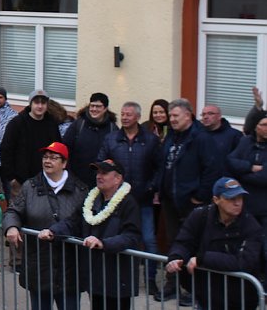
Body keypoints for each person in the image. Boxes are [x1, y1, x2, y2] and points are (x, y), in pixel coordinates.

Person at [40, 159, 142, 310]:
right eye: (98, 172)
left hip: (117, 278)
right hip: (95, 277)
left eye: (104, 173)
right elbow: (73, 222)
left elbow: (132, 236)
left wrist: (104, 243)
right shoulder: (92, 199)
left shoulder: (128, 203)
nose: (99, 176)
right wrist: (53, 231)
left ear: (118, 178)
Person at [2, 142, 86, 310]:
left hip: (69, 268)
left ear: (64, 163)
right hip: (39, 265)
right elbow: (13, 211)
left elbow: (83, 222)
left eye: (54, 158)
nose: (48, 161)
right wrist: (11, 226)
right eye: (45, 157)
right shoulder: (30, 187)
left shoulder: (80, 190)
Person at [155, 98, 220, 304]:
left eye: (175, 116)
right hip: (170, 201)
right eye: (170, 115)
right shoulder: (171, 137)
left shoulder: (201, 138)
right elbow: (164, 165)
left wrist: (199, 196)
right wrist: (159, 188)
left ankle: (194, 288)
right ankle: (173, 283)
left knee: (195, 245)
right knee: (174, 244)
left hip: (193, 203)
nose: (171, 119)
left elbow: (212, 169)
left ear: (188, 115)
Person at [96, 101, 163, 297]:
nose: (124, 117)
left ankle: (150, 280)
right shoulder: (111, 139)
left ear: (138, 117)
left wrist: (151, 187)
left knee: (149, 240)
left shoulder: (150, 140)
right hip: (117, 201)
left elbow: (160, 168)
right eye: (122, 114)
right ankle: (113, 277)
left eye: (129, 114)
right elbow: (101, 162)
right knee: (114, 237)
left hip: (143, 200)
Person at [166, 177, 263, 310]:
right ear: (216, 200)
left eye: (240, 198)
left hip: (240, 298)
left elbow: (245, 262)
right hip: (207, 295)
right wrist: (176, 257)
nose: (237, 203)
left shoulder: (251, 225)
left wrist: (202, 258)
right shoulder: (200, 216)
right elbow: (184, 241)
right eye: (231, 199)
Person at [0, 89, 62, 195]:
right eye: (36, 102)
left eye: (43, 103)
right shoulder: (17, 123)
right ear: (30, 104)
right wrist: (12, 178)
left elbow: (58, 149)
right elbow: (5, 150)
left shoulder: (51, 124)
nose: (40, 106)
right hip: (21, 182)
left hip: (46, 180)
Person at [227, 115, 267, 263]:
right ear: (256, 127)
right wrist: (250, 167)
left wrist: (242, 175)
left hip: (264, 209)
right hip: (245, 206)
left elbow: (264, 178)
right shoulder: (245, 142)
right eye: (264, 124)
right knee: (245, 249)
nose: (266, 128)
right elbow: (231, 162)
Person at [63, 92, 118, 186]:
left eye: (98, 106)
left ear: (105, 108)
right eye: (92, 106)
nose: (94, 109)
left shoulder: (113, 129)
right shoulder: (78, 125)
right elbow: (65, 148)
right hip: (76, 180)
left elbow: (116, 155)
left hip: (102, 182)